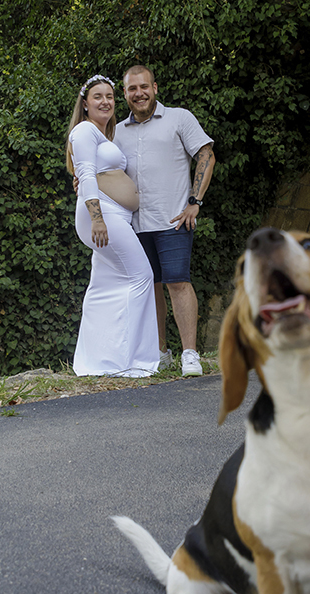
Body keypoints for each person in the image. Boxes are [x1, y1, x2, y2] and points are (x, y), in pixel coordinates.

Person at [117, 65, 215, 377]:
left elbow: (206, 155)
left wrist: (195, 202)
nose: (139, 93)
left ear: (155, 88)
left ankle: (190, 354)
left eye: (144, 87)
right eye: (132, 89)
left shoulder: (179, 118)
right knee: (150, 288)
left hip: (173, 220)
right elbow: (104, 170)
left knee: (177, 282)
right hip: (134, 224)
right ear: (125, 94)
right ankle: (161, 352)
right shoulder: (117, 131)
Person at [65, 75, 160, 377]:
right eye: (98, 96)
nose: (105, 101)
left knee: (105, 286)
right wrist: (97, 219)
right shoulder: (84, 130)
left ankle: (97, 362)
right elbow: (87, 173)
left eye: (109, 96)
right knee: (141, 275)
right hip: (101, 216)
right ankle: (131, 361)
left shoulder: (104, 136)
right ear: (85, 103)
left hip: (113, 216)